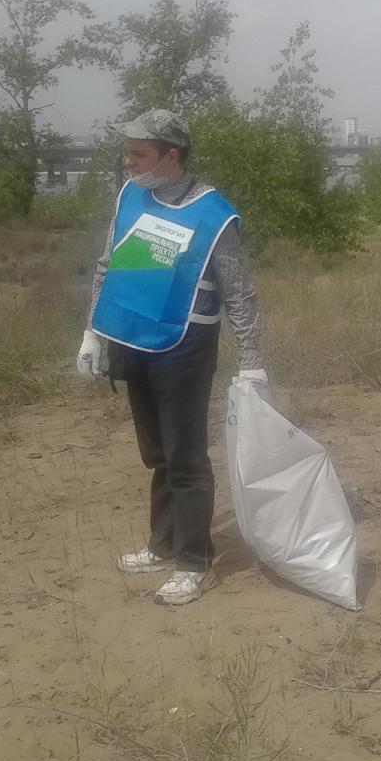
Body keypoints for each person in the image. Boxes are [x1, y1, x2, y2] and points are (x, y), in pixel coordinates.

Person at [76, 109, 266, 606]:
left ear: (170, 155)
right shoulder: (132, 197)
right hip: (132, 339)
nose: (129, 163)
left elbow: (239, 291)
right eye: (128, 153)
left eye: (139, 154)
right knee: (157, 454)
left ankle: (193, 562)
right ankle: (162, 544)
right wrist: (92, 332)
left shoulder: (213, 214)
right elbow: (110, 264)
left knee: (186, 458)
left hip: (184, 347)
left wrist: (251, 356)